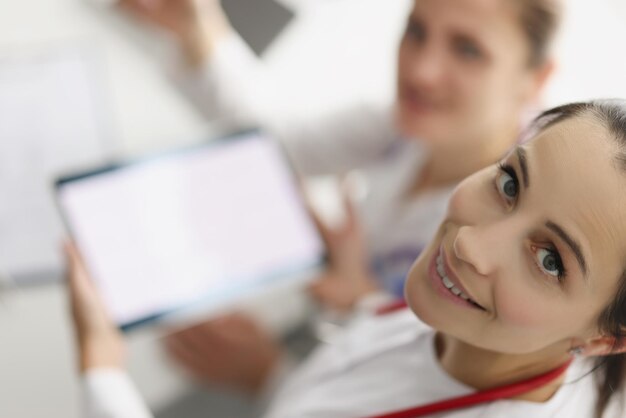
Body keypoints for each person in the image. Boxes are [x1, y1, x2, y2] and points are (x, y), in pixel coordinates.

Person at [94, 0, 562, 398]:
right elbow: (278, 139)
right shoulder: (402, 126)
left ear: (535, 78)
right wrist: (198, 29)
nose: (421, 70)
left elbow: (412, 392)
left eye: (468, 49)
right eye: (415, 32)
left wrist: (266, 371)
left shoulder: (516, 238)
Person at [67, 98, 626, 418]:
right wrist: (357, 298)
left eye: (550, 260)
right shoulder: (462, 322)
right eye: (509, 183)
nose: (469, 244)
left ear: (604, 338)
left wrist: (101, 369)